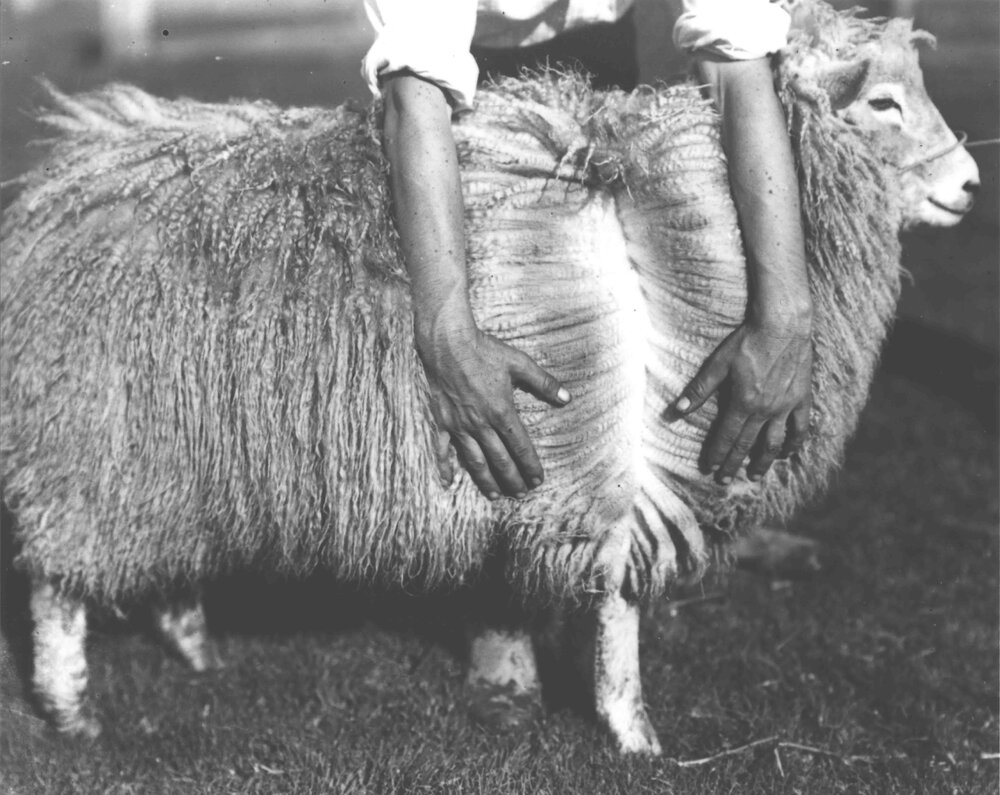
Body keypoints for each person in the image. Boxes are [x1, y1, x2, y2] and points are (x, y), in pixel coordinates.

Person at [361, 0, 813, 501]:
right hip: (464, 65)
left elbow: (737, 60)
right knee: (501, 321)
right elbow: (415, 92)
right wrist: (447, 338)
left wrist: (786, 318)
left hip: (601, 42)